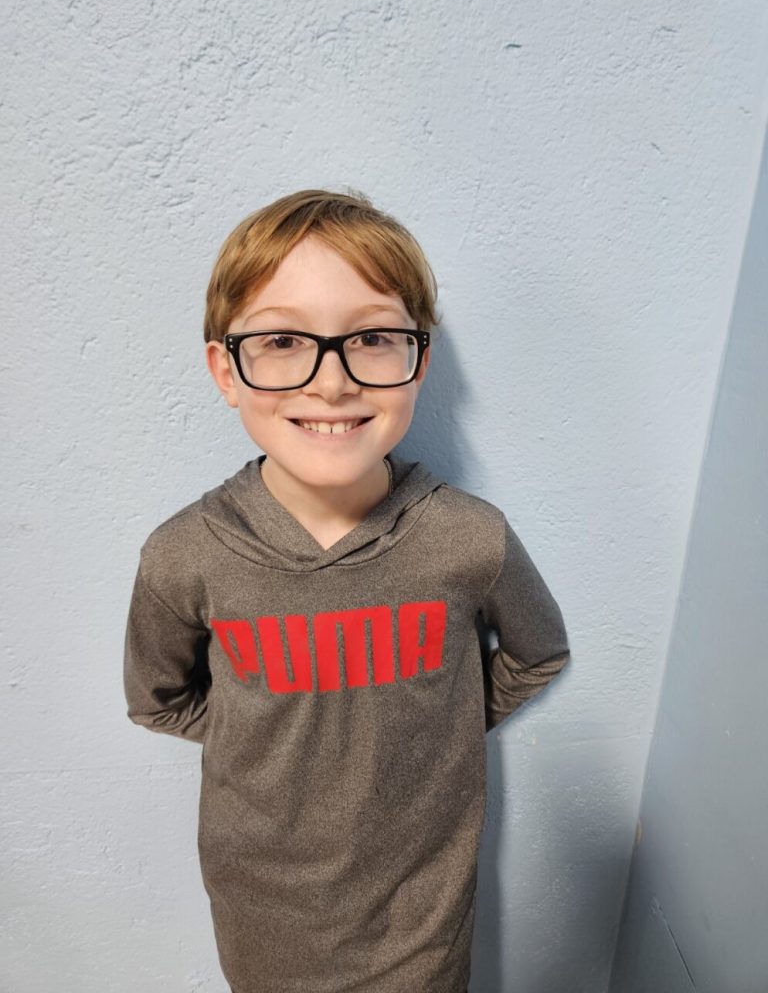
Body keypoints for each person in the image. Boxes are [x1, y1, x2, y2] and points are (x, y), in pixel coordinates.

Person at [123, 188, 570, 993]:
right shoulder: (183, 555)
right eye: (283, 340)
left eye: (370, 338)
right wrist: (261, 737)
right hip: (262, 916)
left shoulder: (470, 537)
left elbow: (537, 654)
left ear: (419, 360)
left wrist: (436, 729)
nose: (330, 383)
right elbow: (158, 699)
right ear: (226, 370)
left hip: (422, 921)